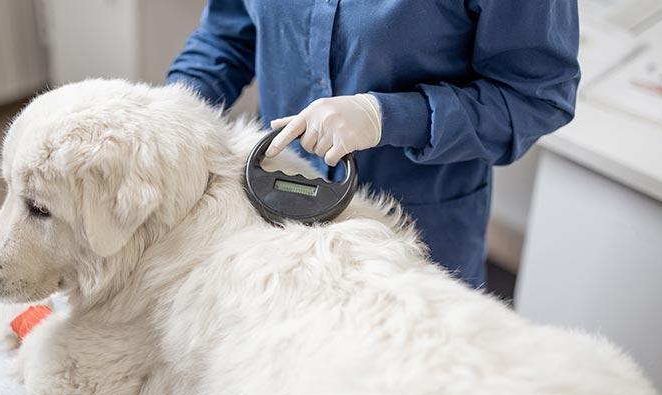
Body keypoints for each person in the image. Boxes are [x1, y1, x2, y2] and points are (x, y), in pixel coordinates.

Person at [167, 0, 580, 288]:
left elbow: (536, 98)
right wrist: (169, 111)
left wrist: (387, 117)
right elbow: (226, 38)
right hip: (273, 215)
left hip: (416, 232)